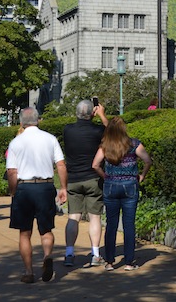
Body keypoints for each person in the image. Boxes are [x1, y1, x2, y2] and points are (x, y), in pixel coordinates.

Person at [6, 107, 68, 283]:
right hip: (45, 187)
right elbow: (61, 165)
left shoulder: (16, 142)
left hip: (24, 188)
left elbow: (12, 171)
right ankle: (47, 255)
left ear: (21, 122)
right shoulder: (50, 139)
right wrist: (63, 187)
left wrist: (13, 191)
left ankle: (28, 272)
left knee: (24, 232)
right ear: (38, 120)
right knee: (46, 230)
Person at [91, 117, 151, 271]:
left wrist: (105, 176)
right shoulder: (133, 144)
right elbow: (147, 160)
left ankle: (110, 262)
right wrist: (142, 175)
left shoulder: (105, 146)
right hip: (130, 186)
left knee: (111, 224)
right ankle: (129, 262)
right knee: (129, 224)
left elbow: (95, 164)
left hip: (111, 186)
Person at [63, 99, 108, 267]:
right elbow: (112, 134)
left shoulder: (67, 130)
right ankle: (95, 254)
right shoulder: (98, 131)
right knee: (94, 217)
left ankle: (69, 253)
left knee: (73, 217)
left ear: (76, 113)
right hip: (93, 178)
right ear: (92, 113)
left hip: (73, 178)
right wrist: (102, 116)